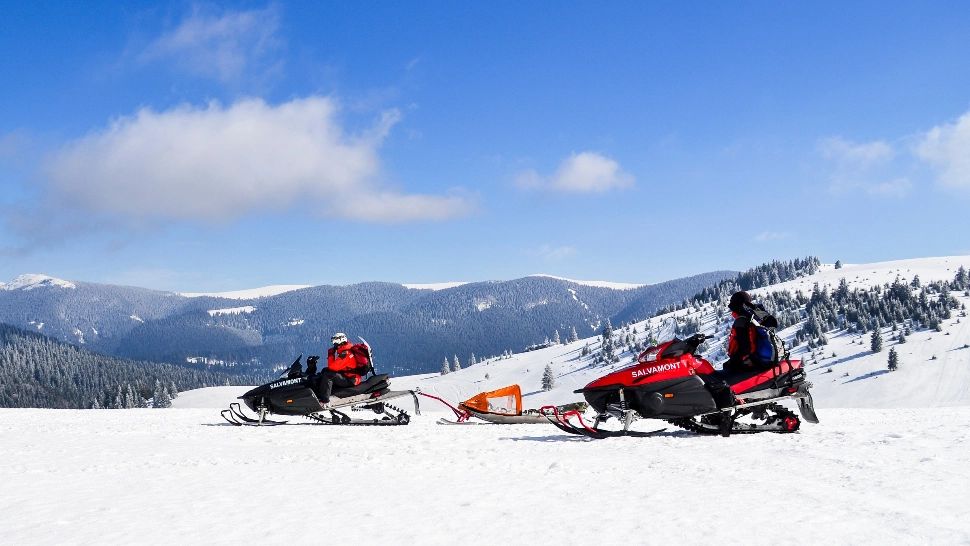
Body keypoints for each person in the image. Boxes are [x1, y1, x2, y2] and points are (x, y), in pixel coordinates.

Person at [723, 290, 778, 375]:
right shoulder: (754, 317)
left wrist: (734, 360)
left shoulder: (741, 321)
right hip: (759, 358)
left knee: (726, 371)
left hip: (750, 361)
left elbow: (746, 348)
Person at [313, 332, 372, 403]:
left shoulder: (346, 354)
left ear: (340, 340)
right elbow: (331, 368)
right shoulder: (345, 351)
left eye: (335, 341)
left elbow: (333, 367)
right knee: (325, 370)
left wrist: (331, 354)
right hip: (348, 376)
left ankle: (324, 401)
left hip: (351, 379)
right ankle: (320, 393)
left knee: (328, 375)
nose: (334, 344)